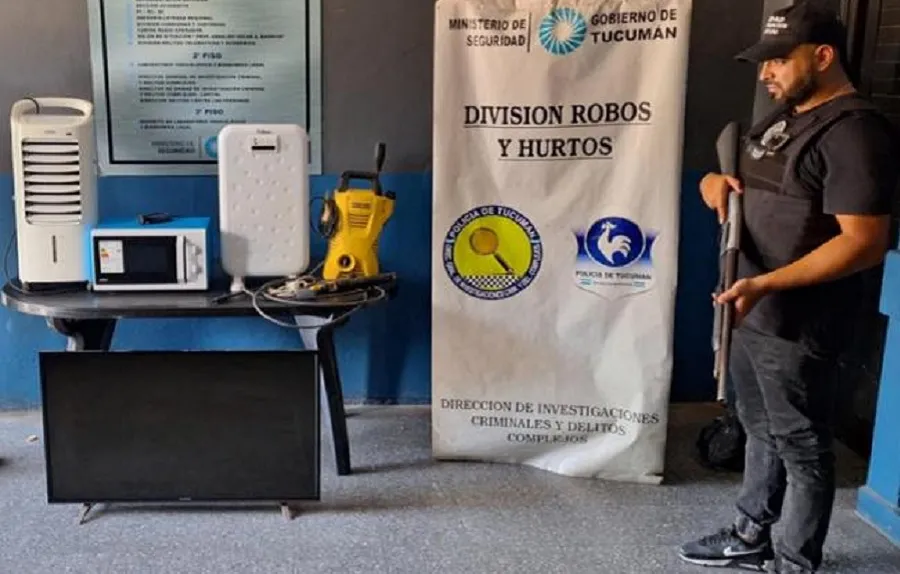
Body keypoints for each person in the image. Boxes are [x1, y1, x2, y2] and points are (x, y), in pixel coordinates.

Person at [678, 2, 900, 573]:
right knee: (758, 428)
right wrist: (713, 182)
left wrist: (766, 284)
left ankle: (796, 562)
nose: (765, 73)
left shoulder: (855, 133)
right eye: (763, 61)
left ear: (823, 56)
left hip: (799, 323)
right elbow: (744, 179)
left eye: (779, 60)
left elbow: (864, 241)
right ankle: (750, 533)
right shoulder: (786, 117)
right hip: (751, 305)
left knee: (802, 445)